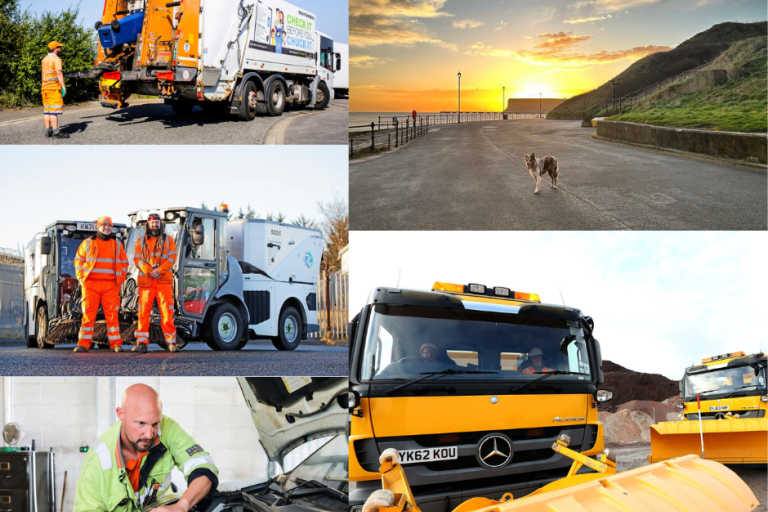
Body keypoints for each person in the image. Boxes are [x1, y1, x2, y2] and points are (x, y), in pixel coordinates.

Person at [74, 384, 218, 512]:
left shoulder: (168, 429)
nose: (149, 435)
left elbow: (203, 465)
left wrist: (183, 505)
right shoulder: (96, 461)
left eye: (155, 424)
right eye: (141, 423)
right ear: (120, 414)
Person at [74, 217, 129, 353]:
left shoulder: (117, 244)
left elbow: (124, 263)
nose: (107, 228)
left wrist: (120, 279)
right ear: (98, 227)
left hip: (111, 285)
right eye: (104, 226)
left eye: (109, 226)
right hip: (90, 285)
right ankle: (83, 344)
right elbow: (78, 261)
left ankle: (116, 344)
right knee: (88, 315)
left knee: (112, 316)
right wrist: (81, 278)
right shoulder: (87, 243)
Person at [133, 214, 179, 353]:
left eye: (157, 222)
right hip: (147, 282)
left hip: (163, 281)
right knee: (143, 313)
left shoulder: (168, 240)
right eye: (152, 222)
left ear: (160, 224)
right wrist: (149, 271)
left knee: (167, 312)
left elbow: (172, 257)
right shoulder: (140, 241)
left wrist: (159, 270)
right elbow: (137, 259)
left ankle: (171, 343)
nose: (154, 224)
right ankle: (141, 343)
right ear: (148, 224)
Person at [41, 41, 70, 139]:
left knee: (47, 111)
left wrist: (43, 85)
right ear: (56, 48)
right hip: (53, 88)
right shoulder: (56, 59)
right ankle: (56, 133)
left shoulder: (44, 59)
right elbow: (59, 74)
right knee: (53, 111)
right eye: (59, 47)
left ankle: (48, 131)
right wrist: (63, 87)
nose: (60, 49)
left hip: (45, 88)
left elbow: (43, 74)